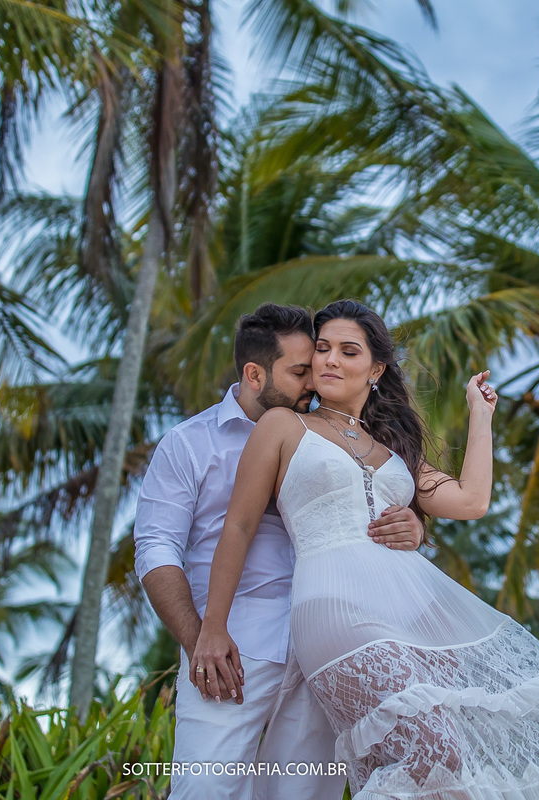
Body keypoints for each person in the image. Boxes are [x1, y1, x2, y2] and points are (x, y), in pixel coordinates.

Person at [193, 299, 539, 799]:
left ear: (377, 369)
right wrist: (212, 626)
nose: (329, 361)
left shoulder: (392, 450)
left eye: (348, 351)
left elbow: (470, 500)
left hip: (411, 608)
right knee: (434, 750)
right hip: (335, 610)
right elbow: (238, 527)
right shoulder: (283, 426)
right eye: (322, 349)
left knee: (458, 758)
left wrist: (480, 416)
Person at [133, 303, 427, 800]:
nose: (315, 380)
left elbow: (365, 505)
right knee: (206, 789)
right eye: (299, 371)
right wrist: (200, 638)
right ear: (255, 375)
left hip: (322, 643)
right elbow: (156, 548)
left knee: (305, 792)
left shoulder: (330, 437)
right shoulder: (188, 444)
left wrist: (411, 525)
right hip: (233, 644)